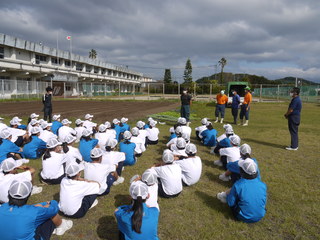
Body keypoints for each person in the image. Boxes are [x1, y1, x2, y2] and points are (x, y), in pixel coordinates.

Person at [0, 179, 73, 239]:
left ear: (9, 193)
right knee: (50, 214)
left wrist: (41, 205)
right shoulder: (33, 212)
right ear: (28, 195)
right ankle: (62, 226)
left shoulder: (2, 208)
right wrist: (52, 202)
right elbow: (54, 209)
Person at [217, 158, 267, 223]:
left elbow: (230, 203)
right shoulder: (263, 185)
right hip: (260, 215)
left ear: (241, 171)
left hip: (243, 216)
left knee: (234, 197)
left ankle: (222, 195)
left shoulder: (238, 185)